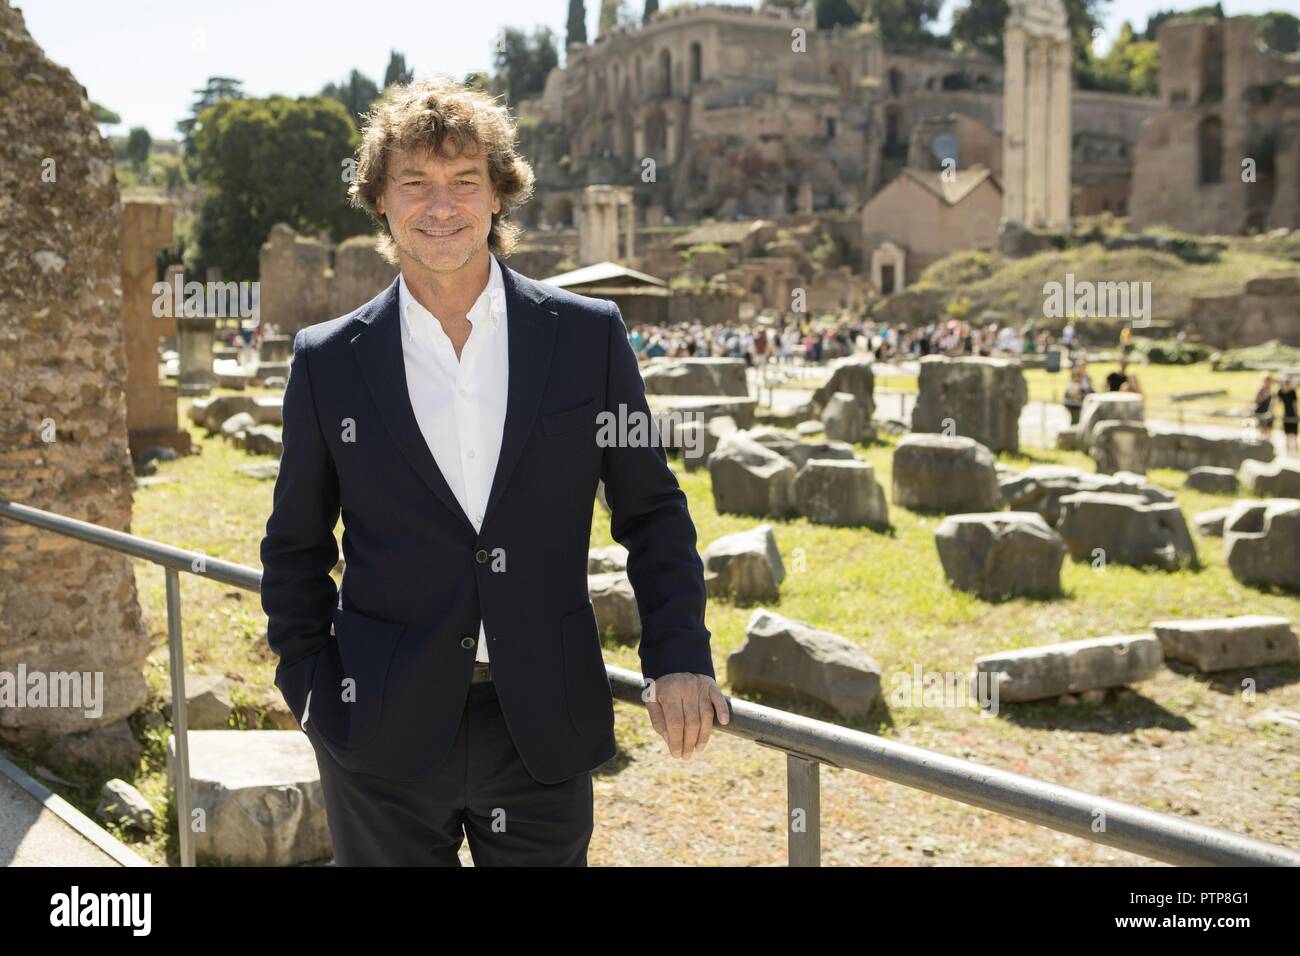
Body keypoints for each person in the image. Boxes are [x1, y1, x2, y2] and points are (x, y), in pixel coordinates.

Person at [260, 77, 727, 867]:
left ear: (499, 195)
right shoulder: (327, 360)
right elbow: (295, 546)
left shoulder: (586, 337)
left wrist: (678, 654)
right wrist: (311, 690)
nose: (439, 205)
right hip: (377, 735)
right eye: (414, 182)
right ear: (379, 199)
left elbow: (652, 510)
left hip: (541, 726)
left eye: (463, 181)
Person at [1278, 377, 1298, 455]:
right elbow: (1278, 402)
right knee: (1286, 434)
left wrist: (1296, 415)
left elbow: (1295, 404)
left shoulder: (1292, 392)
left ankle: (1295, 451)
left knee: (1294, 435)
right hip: (1286, 414)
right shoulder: (1281, 392)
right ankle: (1287, 451)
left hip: (1293, 415)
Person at [1253, 374, 1276, 441]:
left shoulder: (1272, 391)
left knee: (1269, 430)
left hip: (1268, 413)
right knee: (1261, 430)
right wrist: (1264, 396)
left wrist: (1270, 412)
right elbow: (1255, 400)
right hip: (1261, 412)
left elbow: (1273, 403)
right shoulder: (1260, 390)